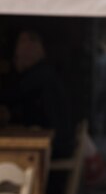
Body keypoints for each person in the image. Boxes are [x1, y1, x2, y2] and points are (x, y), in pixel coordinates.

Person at [0, 29, 73, 159]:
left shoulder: (39, 75)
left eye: (20, 45)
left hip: (53, 147)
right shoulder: (41, 72)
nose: (17, 52)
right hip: (53, 143)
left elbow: (11, 95)